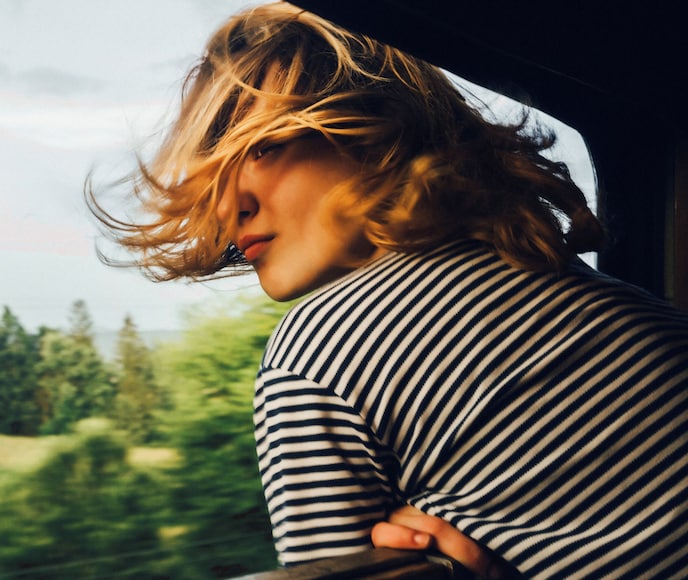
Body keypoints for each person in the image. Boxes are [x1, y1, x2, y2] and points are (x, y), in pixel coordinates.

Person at [87, 3, 688, 578]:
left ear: (377, 136)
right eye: (217, 174)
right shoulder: (607, 297)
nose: (228, 204)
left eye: (265, 147)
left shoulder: (315, 352)